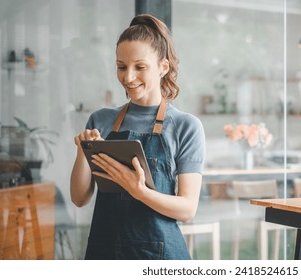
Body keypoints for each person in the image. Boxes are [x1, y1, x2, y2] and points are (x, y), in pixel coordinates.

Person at [70, 14, 205, 260]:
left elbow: (187, 209)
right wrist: (83, 148)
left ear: (163, 67)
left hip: (159, 256)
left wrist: (139, 190)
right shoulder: (100, 120)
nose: (128, 77)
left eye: (140, 67)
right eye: (121, 66)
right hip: (104, 253)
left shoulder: (186, 126)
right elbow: (80, 198)